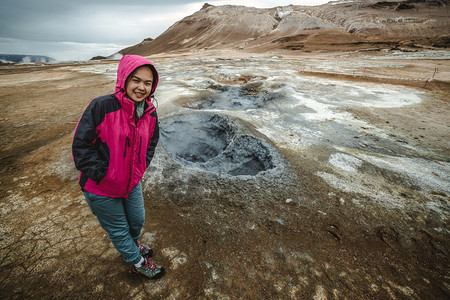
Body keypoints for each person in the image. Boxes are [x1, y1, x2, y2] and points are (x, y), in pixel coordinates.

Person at [72, 55, 164, 279]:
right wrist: (105, 174)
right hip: (100, 187)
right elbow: (81, 146)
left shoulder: (150, 113)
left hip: (131, 182)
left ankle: (133, 246)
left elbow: (151, 143)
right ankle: (137, 261)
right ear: (124, 79)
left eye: (147, 83)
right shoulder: (102, 106)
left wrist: (140, 167)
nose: (141, 87)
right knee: (119, 229)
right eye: (136, 80)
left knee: (137, 221)